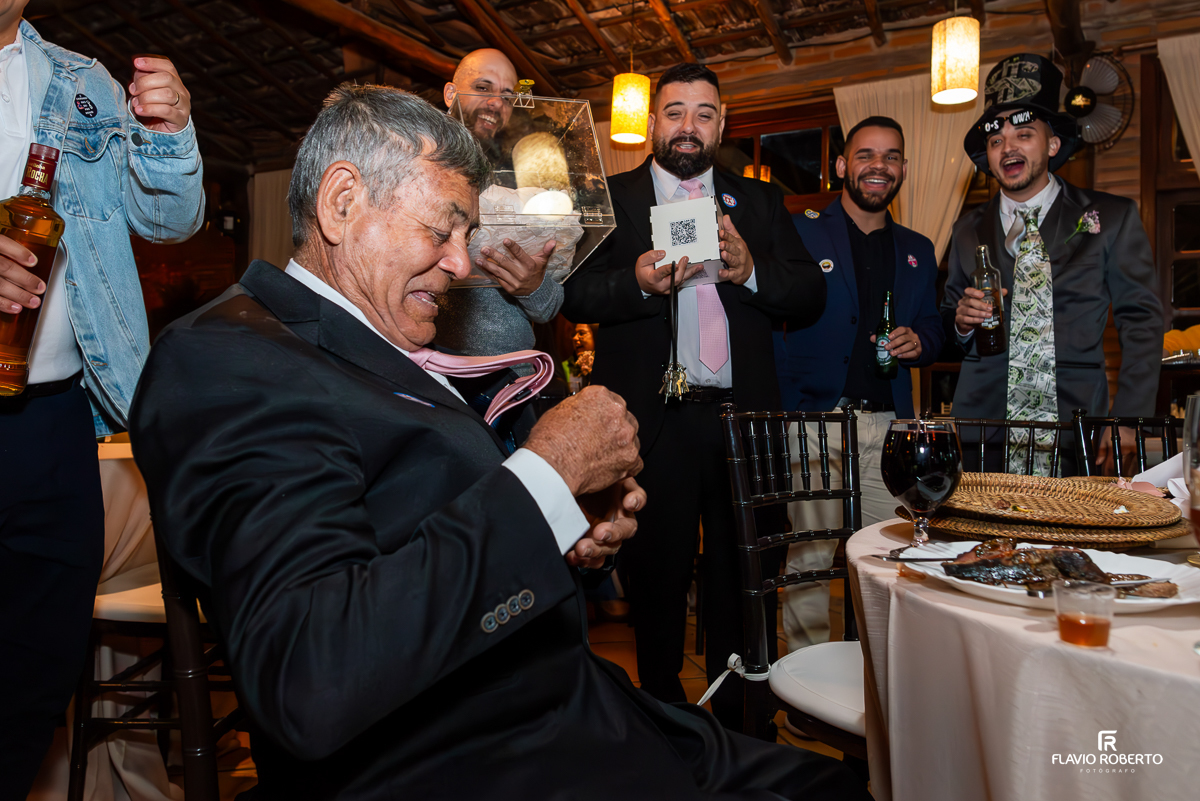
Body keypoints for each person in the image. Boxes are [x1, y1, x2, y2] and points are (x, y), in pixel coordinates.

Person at [128, 84, 866, 801]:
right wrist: (545, 480)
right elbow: (314, 675)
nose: (461, 263)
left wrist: (565, 528)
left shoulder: (371, 344)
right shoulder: (231, 357)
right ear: (342, 202)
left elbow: (421, 539)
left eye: (467, 236)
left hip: (573, 712)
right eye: (442, 229)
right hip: (472, 757)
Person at [561, 63, 826, 730]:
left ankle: (742, 724)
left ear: (722, 124)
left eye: (703, 113)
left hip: (744, 425)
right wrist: (636, 284)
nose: (688, 126)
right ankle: (662, 724)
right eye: (674, 111)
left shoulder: (759, 202)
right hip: (654, 425)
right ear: (651, 123)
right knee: (655, 580)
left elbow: (810, 294)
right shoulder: (614, 198)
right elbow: (570, 294)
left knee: (746, 578)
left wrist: (752, 271)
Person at [0, 6, 203, 794]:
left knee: (37, 670)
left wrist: (171, 131)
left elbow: (168, 217)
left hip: (54, 422)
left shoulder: (81, 80)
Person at [942, 54, 1161, 474]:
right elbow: (949, 324)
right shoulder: (966, 229)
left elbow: (1142, 321)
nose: (1008, 148)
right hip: (981, 429)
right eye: (995, 141)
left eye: (1024, 134)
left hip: (1076, 428)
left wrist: (1130, 420)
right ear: (988, 158)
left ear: (1053, 144)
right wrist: (961, 322)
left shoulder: (1111, 217)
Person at [773, 116, 942, 650]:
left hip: (890, 426)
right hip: (816, 420)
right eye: (866, 155)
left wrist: (924, 342)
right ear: (843, 165)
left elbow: (936, 326)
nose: (879, 166)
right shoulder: (799, 229)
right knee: (809, 558)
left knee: (894, 559)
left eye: (891, 157)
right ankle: (804, 688)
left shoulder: (918, 248)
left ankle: (887, 682)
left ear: (903, 170)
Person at [435, 48, 562, 364]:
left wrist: (532, 286)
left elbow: (550, 306)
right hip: (426, 370)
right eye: (483, 88)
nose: (496, 103)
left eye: (507, 96)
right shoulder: (412, 166)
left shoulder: (522, 183)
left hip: (511, 377)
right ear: (450, 93)